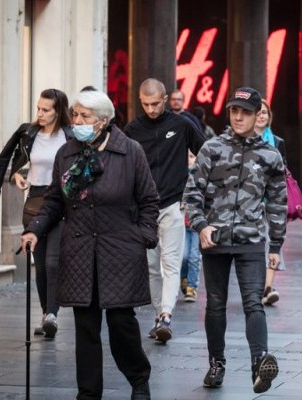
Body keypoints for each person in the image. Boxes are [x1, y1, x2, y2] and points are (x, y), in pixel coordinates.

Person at [19, 90, 158, 399]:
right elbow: (55, 200)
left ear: (103, 121)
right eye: (75, 115)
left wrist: (145, 236)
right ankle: (88, 392)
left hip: (120, 250)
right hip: (81, 251)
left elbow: (149, 200)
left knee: (122, 323)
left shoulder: (131, 151)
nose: (77, 121)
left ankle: (138, 378)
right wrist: (35, 230)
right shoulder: (66, 153)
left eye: (84, 116)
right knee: (86, 327)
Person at [183, 87, 286, 393]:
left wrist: (276, 245)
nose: (239, 117)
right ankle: (216, 363)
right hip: (214, 240)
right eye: (234, 111)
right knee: (215, 305)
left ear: (258, 116)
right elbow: (191, 194)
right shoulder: (211, 148)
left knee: (254, 303)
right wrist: (201, 226)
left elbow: (278, 202)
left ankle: (260, 363)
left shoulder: (270, 155)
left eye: (245, 112)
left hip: (251, 240)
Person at [124, 78, 206, 344]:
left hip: (173, 203)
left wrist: (195, 192)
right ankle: (160, 315)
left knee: (171, 262)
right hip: (142, 209)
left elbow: (205, 156)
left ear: (166, 98)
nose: (151, 109)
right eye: (146, 104)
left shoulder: (182, 125)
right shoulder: (132, 129)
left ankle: (166, 316)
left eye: (156, 103)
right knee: (150, 266)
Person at [0, 88, 73, 339]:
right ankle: (46, 313)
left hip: (61, 201)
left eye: (46, 110)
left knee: (53, 262)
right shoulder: (29, 132)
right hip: (35, 200)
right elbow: (14, 158)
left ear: (59, 112)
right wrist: (16, 175)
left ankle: (52, 315)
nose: (40, 114)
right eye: (38, 108)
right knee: (40, 265)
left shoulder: (69, 135)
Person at [255, 99, 287, 305]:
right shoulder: (243, 141)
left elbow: (284, 172)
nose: (261, 116)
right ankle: (259, 287)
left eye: (264, 113)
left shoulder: (277, 142)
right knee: (257, 244)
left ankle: (268, 287)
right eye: (258, 112)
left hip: (272, 200)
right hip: (251, 202)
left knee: (273, 242)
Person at [180, 150, 202, 303]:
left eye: (192, 156)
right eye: (186, 156)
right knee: (183, 256)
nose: (189, 160)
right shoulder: (178, 175)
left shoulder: (201, 175)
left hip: (196, 224)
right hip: (182, 222)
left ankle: (192, 287)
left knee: (194, 256)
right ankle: (184, 278)